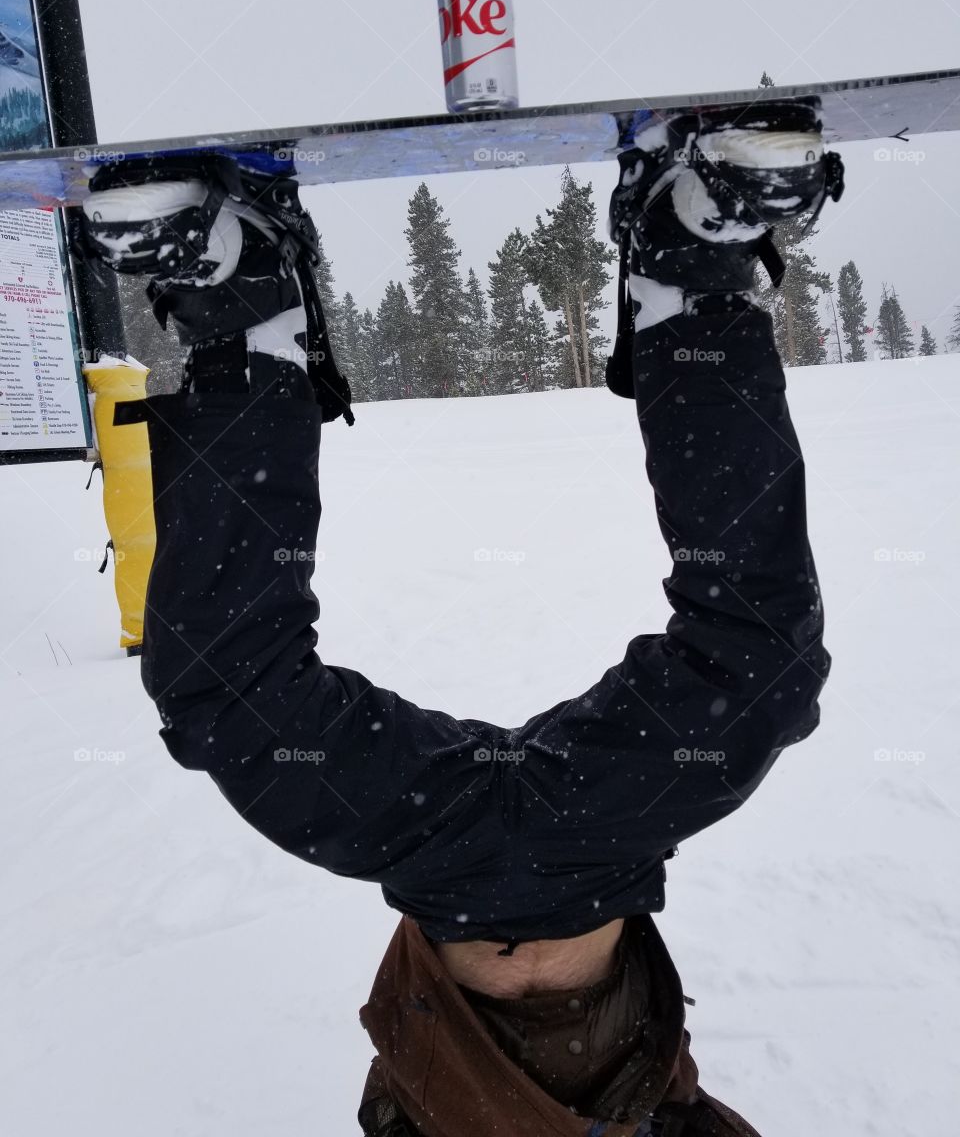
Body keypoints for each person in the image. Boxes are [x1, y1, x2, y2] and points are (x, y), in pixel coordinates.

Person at [80, 101, 842, 1136]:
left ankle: (245, 309)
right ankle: (689, 267)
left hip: (431, 853)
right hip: (602, 839)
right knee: (764, 660)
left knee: (222, 696)